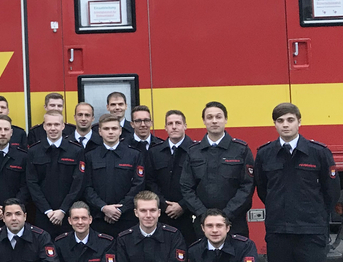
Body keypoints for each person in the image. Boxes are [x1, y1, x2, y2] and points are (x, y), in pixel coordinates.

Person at [255, 102, 339, 262]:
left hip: (310, 232)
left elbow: (331, 192)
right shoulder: (266, 154)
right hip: (279, 231)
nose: (286, 125)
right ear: (275, 125)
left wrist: (315, 219)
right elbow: (263, 189)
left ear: (299, 122)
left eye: (290, 120)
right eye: (280, 121)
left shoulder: (318, 153)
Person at [180, 101, 255, 237]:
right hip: (203, 224)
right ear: (204, 121)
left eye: (218, 117)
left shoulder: (241, 150)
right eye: (209, 117)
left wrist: (227, 215)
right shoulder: (193, 151)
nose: (214, 121)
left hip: (234, 222)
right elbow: (186, 187)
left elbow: (247, 186)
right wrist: (204, 214)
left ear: (225, 119)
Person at [82, 114, 145, 236]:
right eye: (106, 129)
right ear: (100, 132)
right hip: (98, 218)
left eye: (114, 128)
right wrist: (104, 208)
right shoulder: (90, 156)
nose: (110, 132)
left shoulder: (134, 155)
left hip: (127, 218)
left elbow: (138, 185)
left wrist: (119, 210)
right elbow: (86, 186)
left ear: (120, 130)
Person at [25, 111, 85, 238]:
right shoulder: (34, 151)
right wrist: (47, 211)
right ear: (44, 127)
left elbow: (78, 184)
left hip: (69, 213)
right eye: (49, 124)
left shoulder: (76, 150)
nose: (53, 128)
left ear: (63, 126)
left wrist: (63, 210)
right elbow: (32, 183)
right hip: (43, 214)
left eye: (56, 124)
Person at [147, 110, 197, 244]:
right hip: (162, 215)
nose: (174, 126)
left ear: (185, 126)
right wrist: (163, 204)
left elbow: (200, 183)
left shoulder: (196, 151)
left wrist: (182, 205)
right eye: (170, 123)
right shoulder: (154, 152)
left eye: (178, 123)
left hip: (188, 215)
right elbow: (150, 182)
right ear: (165, 128)